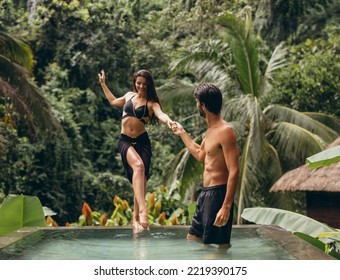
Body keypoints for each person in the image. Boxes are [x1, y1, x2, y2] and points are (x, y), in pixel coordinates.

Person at [98, 69, 174, 231]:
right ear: (135, 82)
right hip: (125, 141)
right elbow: (112, 101)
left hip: (142, 142)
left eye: (144, 84)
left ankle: (135, 219)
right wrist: (103, 84)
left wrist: (170, 122)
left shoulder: (152, 104)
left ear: (149, 85)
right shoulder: (128, 96)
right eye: (138, 83)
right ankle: (143, 211)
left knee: (140, 180)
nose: (141, 86)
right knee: (138, 167)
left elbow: (162, 115)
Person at [171, 83, 239, 248]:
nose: (197, 106)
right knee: (194, 239)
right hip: (206, 195)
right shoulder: (210, 132)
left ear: (203, 105)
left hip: (218, 196)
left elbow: (234, 171)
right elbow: (201, 155)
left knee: (218, 247)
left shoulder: (225, 131)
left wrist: (226, 207)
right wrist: (182, 133)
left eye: (197, 102)